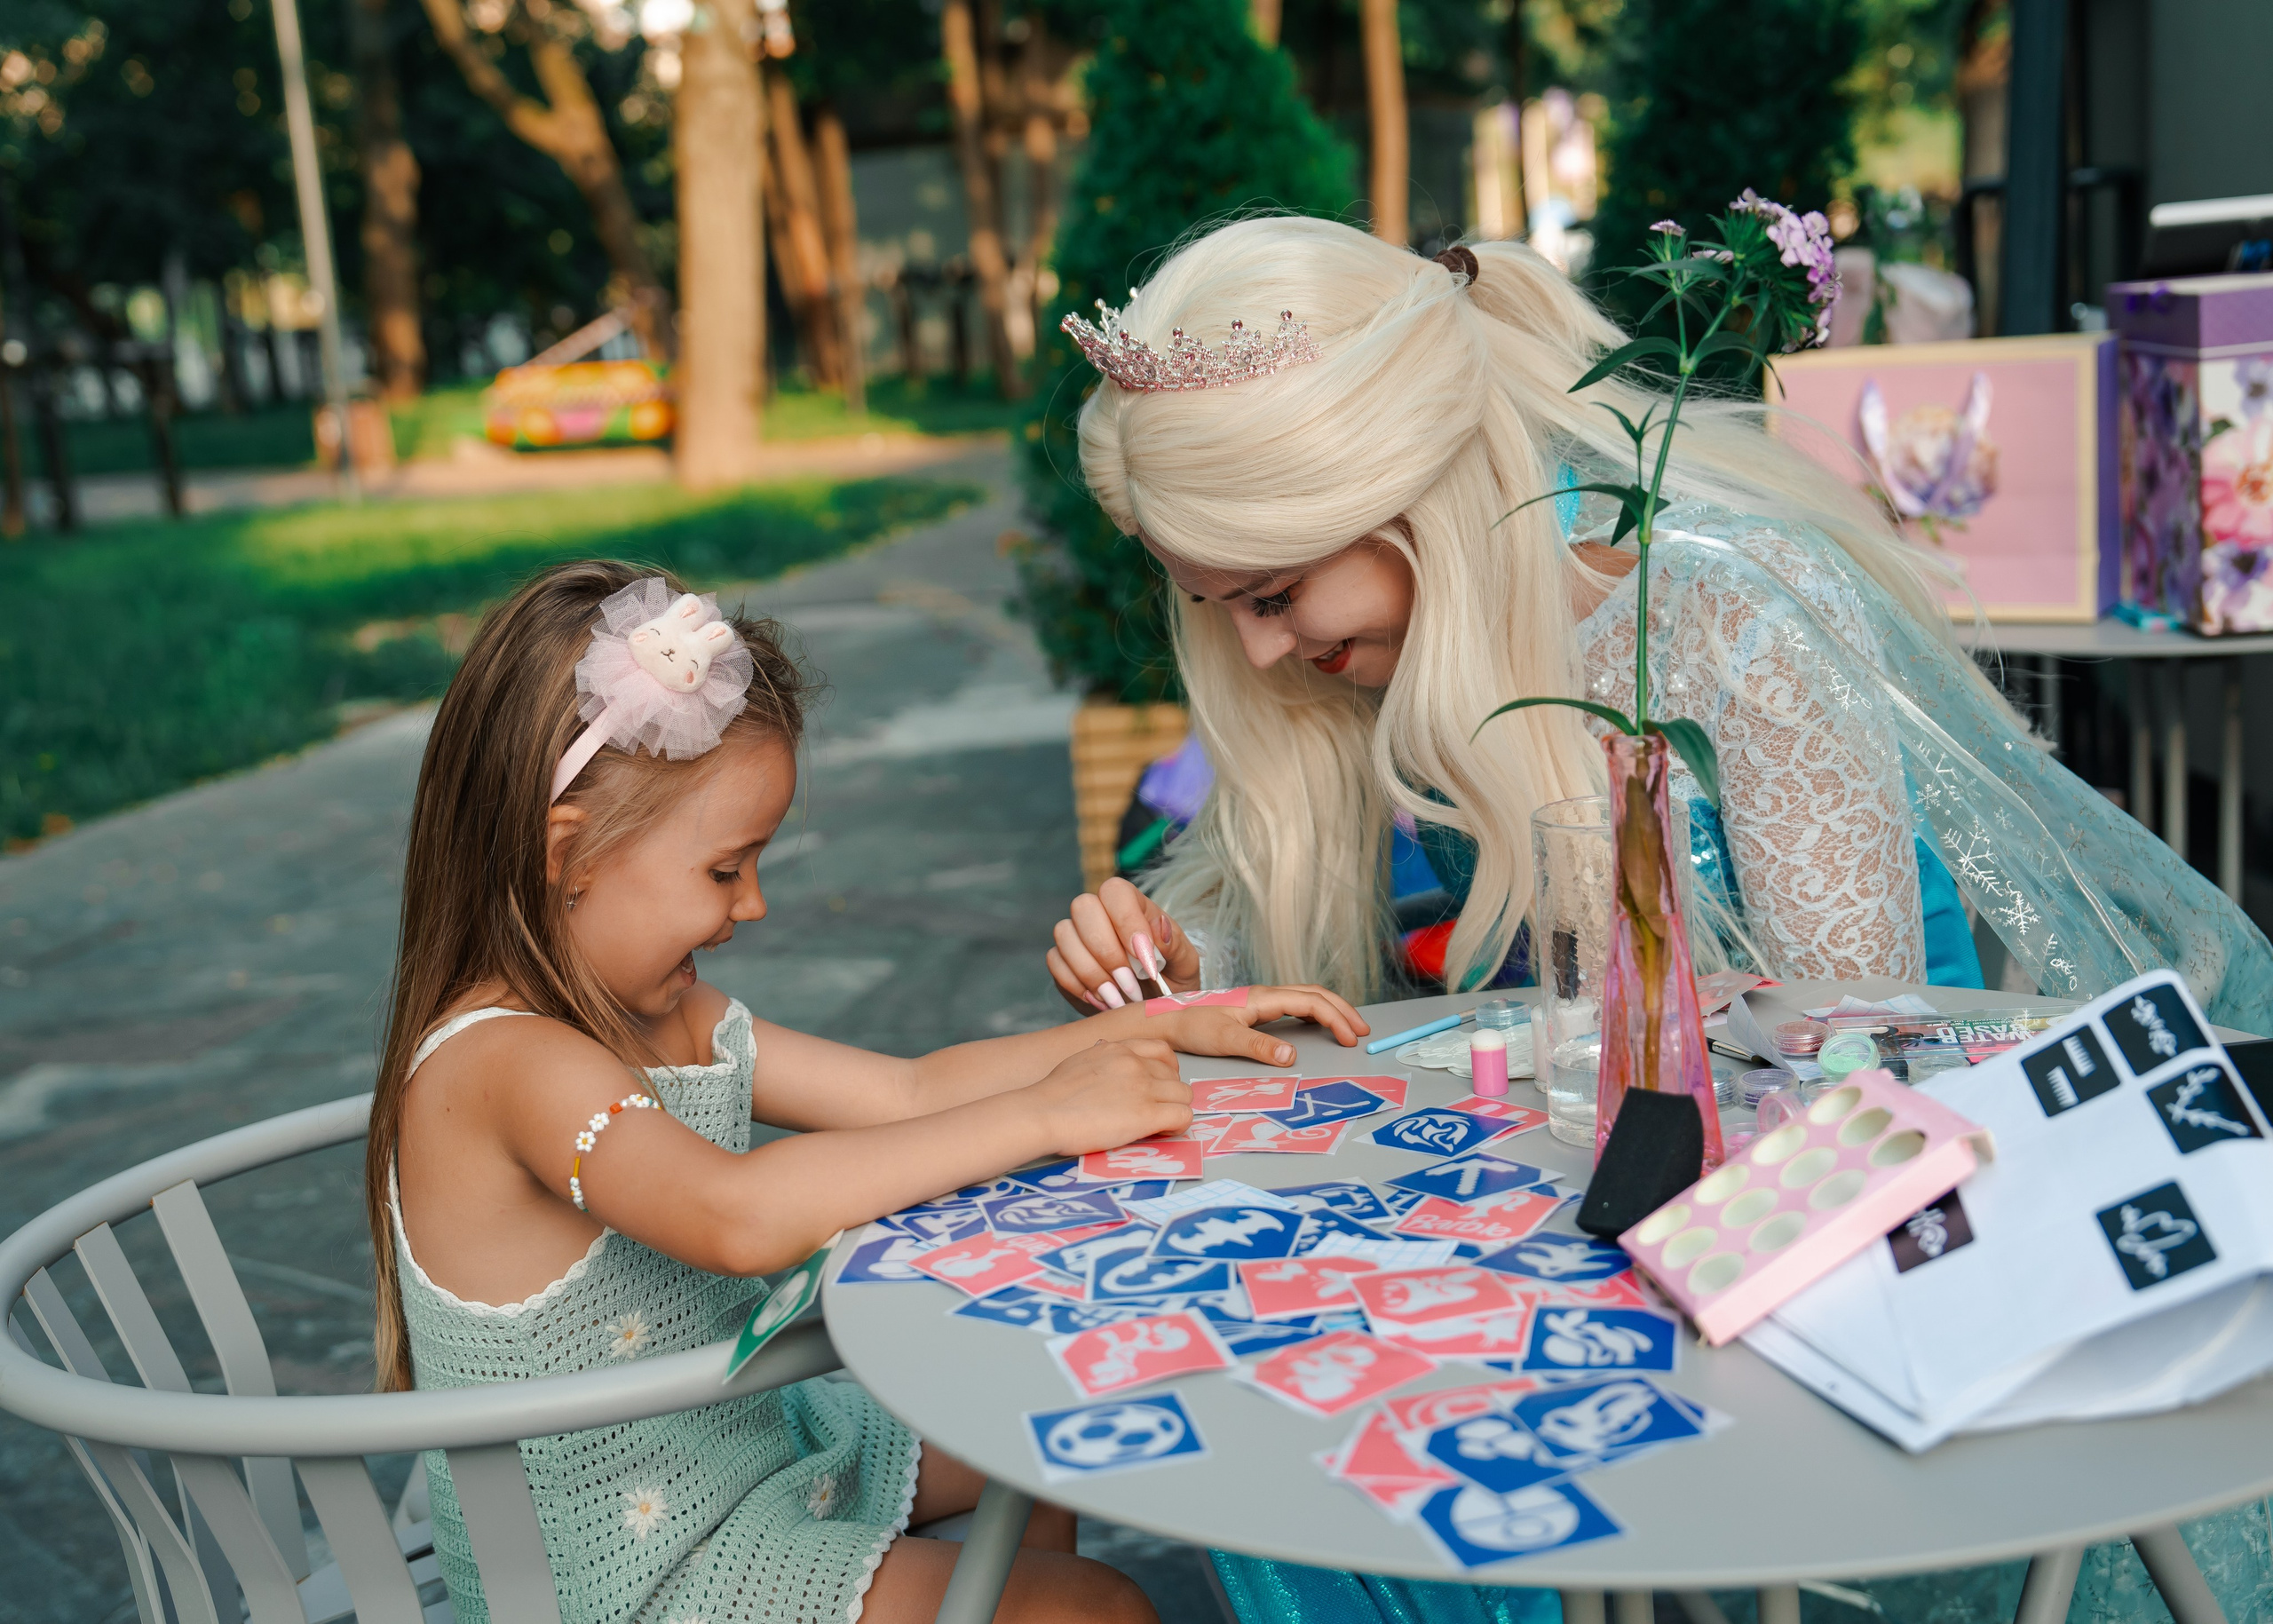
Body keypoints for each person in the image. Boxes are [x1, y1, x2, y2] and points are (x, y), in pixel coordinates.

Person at [1035, 216, 2273, 1621]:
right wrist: (1205, 962)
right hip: (1610, 1168)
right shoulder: (1412, 620)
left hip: (1841, 1217)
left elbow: (1850, 1062)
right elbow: (1321, 929)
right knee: (1288, 1392)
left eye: (1271, 594)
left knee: (1367, 1416)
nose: (1260, 650)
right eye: (1221, 606)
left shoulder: (1728, 607)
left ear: (1413, 493)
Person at [368, 559, 1367, 1624]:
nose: (752, 904)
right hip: (628, 1576)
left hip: (745, 1452)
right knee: (1093, 1608)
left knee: (1037, 1432)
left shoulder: (668, 1013)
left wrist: (1156, 1025)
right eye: (724, 869)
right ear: (565, 855)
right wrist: (1044, 1112)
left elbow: (910, 1090)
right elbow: (735, 1215)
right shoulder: (505, 1060)